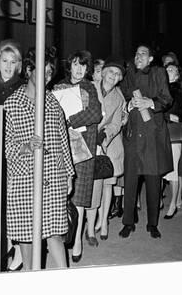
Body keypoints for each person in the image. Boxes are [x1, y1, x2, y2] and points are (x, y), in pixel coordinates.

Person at [3, 53, 75, 271]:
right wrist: (26, 146)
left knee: (54, 230)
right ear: (28, 71)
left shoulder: (52, 100)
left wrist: (69, 174)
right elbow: (5, 148)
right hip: (25, 179)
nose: (46, 76)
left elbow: (64, 140)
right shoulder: (13, 103)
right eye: (42, 70)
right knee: (27, 233)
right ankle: (31, 277)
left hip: (53, 175)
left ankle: (64, 274)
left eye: (50, 72)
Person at [119, 44, 172, 239]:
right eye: (136, 53)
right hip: (133, 136)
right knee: (130, 182)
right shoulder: (128, 75)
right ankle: (128, 222)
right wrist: (129, 103)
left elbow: (167, 98)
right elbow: (122, 97)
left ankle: (152, 223)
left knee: (152, 182)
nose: (138, 56)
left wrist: (151, 103)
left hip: (152, 136)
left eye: (143, 53)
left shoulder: (158, 72)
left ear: (150, 59)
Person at [53, 50, 102, 262]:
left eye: (83, 65)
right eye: (75, 64)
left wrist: (70, 120)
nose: (79, 68)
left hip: (83, 148)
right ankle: (61, 238)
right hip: (61, 147)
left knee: (80, 197)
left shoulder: (90, 87)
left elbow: (95, 114)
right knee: (60, 195)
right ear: (69, 66)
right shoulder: (57, 87)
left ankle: (78, 240)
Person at [0, 39, 24, 271]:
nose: (8, 66)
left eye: (13, 62)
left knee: (13, 203)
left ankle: (16, 249)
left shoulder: (22, 88)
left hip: (13, 153)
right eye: (4, 60)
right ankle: (0, 245)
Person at [88, 57, 126, 241]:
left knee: (108, 184)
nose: (113, 76)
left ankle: (104, 222)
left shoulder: (119, 97)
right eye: (111, 71)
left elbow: (117, 122)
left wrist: (104, 135)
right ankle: (92, 222)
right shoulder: (88, 87)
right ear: (103, 73)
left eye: (117, 74)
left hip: (109, 144)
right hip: (87, 141)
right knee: (92, 185)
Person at [162, 64, 182, 218]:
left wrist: (174, 117)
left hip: (173, 134)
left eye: (171, 70)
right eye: (166, 70)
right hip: (158, 133)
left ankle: (173, 204)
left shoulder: (180, 93)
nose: (168, 72)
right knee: (159, 169)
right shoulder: (159, 89)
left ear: (177, 75)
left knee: (173, 171)